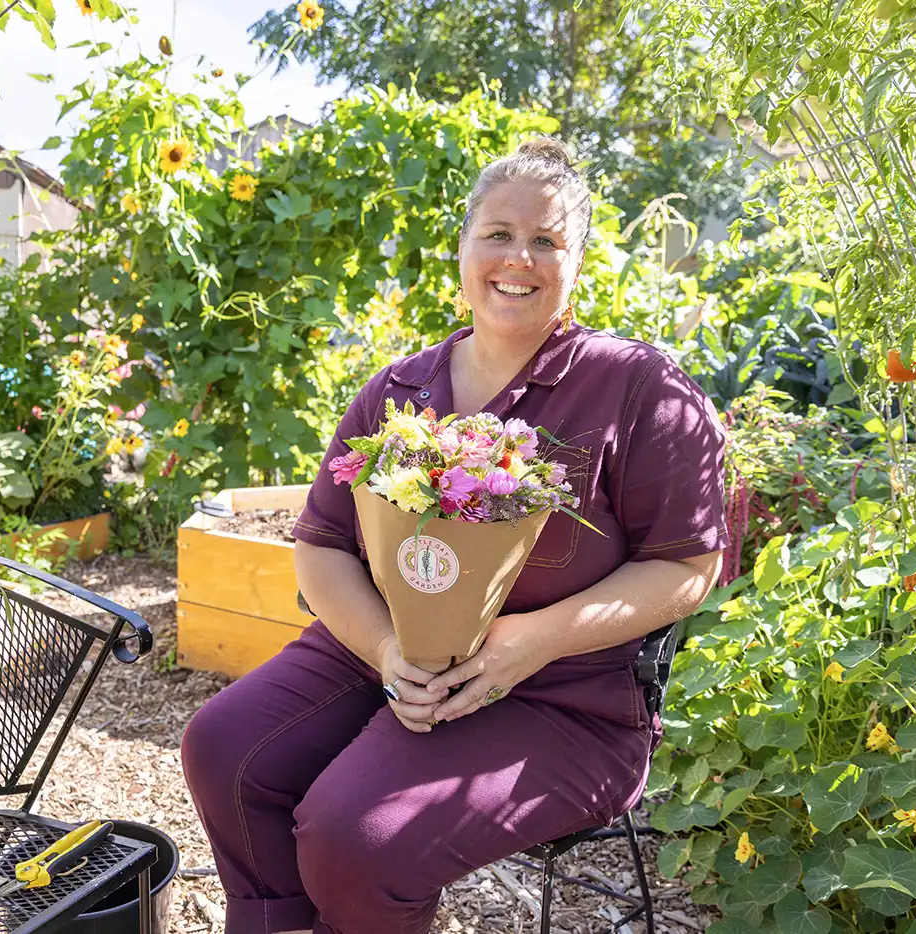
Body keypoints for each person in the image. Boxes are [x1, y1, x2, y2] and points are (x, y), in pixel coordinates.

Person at [180, 136, 729, 934]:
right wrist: (386, 652)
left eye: (548, 239)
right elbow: (324, 544)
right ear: (464, 246)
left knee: (355, 836)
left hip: (559, 695)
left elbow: (687, 568)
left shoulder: (638, 387)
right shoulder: (399, 389)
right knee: (225, 748)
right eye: (499, 234)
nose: (520, 257)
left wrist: (526, 644)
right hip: (382, 655)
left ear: (579, 261)